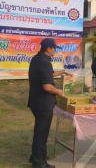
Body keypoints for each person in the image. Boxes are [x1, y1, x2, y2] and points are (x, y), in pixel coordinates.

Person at [28, 38, 71, 168]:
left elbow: (48, 74)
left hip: (35, 102)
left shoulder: (36, 59)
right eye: (54, 48)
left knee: (39, 131)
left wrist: (62, 72)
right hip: (43, 103)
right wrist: (61, 92)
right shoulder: (45, 62)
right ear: (49, 48)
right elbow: (47, 86)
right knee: (42, 132)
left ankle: (36, 155)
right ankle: (39, 163)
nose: (55, 50)